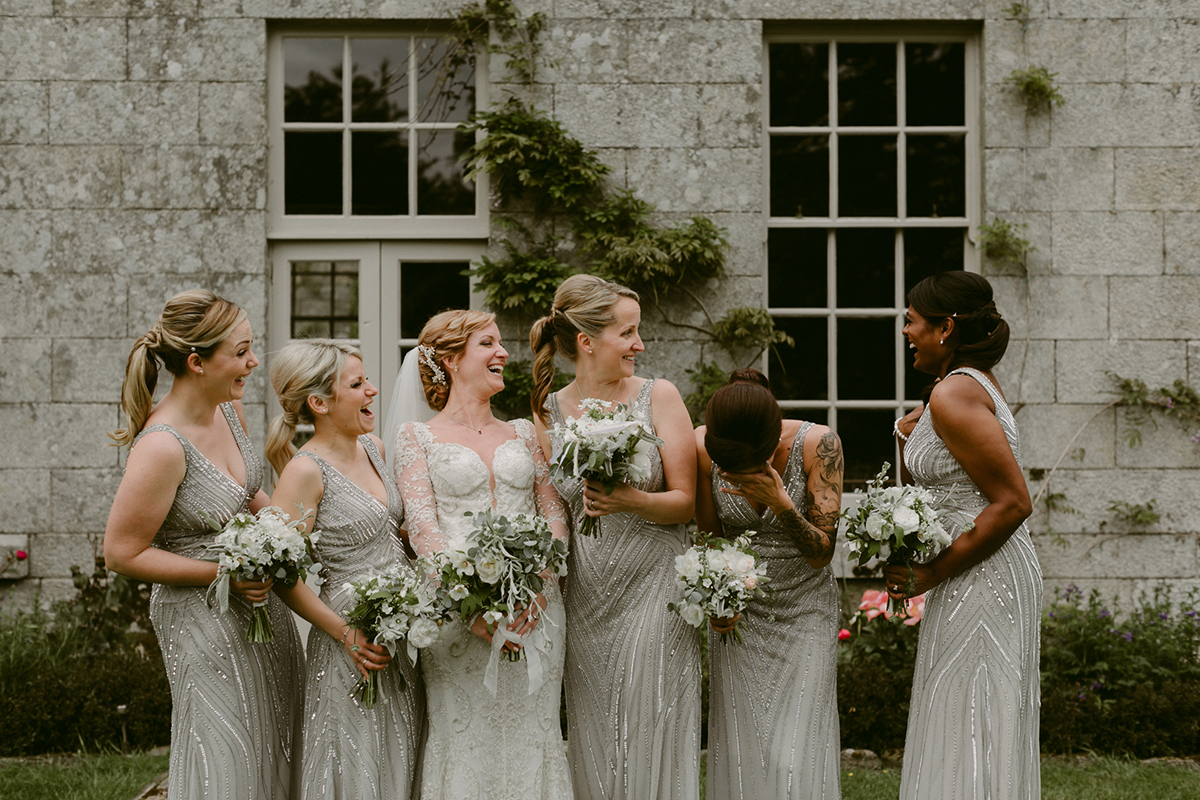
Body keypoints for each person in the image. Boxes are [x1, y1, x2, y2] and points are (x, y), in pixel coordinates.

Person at [103, 290, 303, 800]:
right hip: (202, 621)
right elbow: (121, 553)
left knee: (274, 739)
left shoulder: (228, 410)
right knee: (225, 753)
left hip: (262, 610)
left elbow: (249, 494)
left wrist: (295, 530)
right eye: (240, 352)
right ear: (196, 362)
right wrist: (227, 576)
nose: (253, 362)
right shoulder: (162, 447)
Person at [531, 274, 701, 800]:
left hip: (655, 588)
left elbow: (687, 502)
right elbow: (552, 512)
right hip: (588, 597)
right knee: (596, 730)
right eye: (627, 333)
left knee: (654, 721)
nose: (639, 344)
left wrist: (634, 501)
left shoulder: (660, 396)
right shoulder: (547, 412)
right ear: (587, 342)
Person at [391, 309, 572, 800]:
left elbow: (554, 516)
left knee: (535, 737)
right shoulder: (416, 438)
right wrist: (469, 608)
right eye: (488, 344)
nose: (503, 353)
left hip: (539, 614)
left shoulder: (521, 432)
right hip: (458, 619)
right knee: (466, 739)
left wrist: (539, 593)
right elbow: (424, 532)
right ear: (451, 359)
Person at [888, 270, 1041, 799]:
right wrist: (910, 435)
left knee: (971, 709)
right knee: (960, 707)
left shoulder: (956, 393)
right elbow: (945, 490)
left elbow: (1013, 502)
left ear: (945, 328)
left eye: (912, 321)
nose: (905, 330)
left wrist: (930, 572)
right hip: (972, 565)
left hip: (984, 572)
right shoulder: (958, 389)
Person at [267, 339, 425, 800]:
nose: (373, 391)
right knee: (355, 765)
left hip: (401, 634)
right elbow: (281, 573)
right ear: (319, 402)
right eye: (357, 384)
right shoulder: (305, 471)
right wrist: (345, 634)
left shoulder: (374, 448)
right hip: (349, 642)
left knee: (399, 752)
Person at [694, 368, 843, 800]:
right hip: (741, 614)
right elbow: (710, 539)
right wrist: (719, 600)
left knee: (797, 748)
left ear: (773, 439)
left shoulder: (819, 445)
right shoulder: (705, 447)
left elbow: (821, 553)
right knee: (746, 744)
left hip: (805, 608)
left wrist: (780, 504)